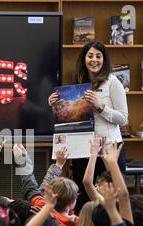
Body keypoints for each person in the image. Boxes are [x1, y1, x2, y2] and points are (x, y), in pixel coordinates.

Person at [48, 41, 128, 211]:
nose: (94, 60)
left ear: (104, 59)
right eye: (90, 56)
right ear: (84, 59)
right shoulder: (79, 83)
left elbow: (123, 119)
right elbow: (70, 117)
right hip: (83, 150)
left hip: (109, 150)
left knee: (113, 199)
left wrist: (101, 107)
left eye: (98, 56)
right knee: (83, 197)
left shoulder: (113, 82)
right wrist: (55, 105)